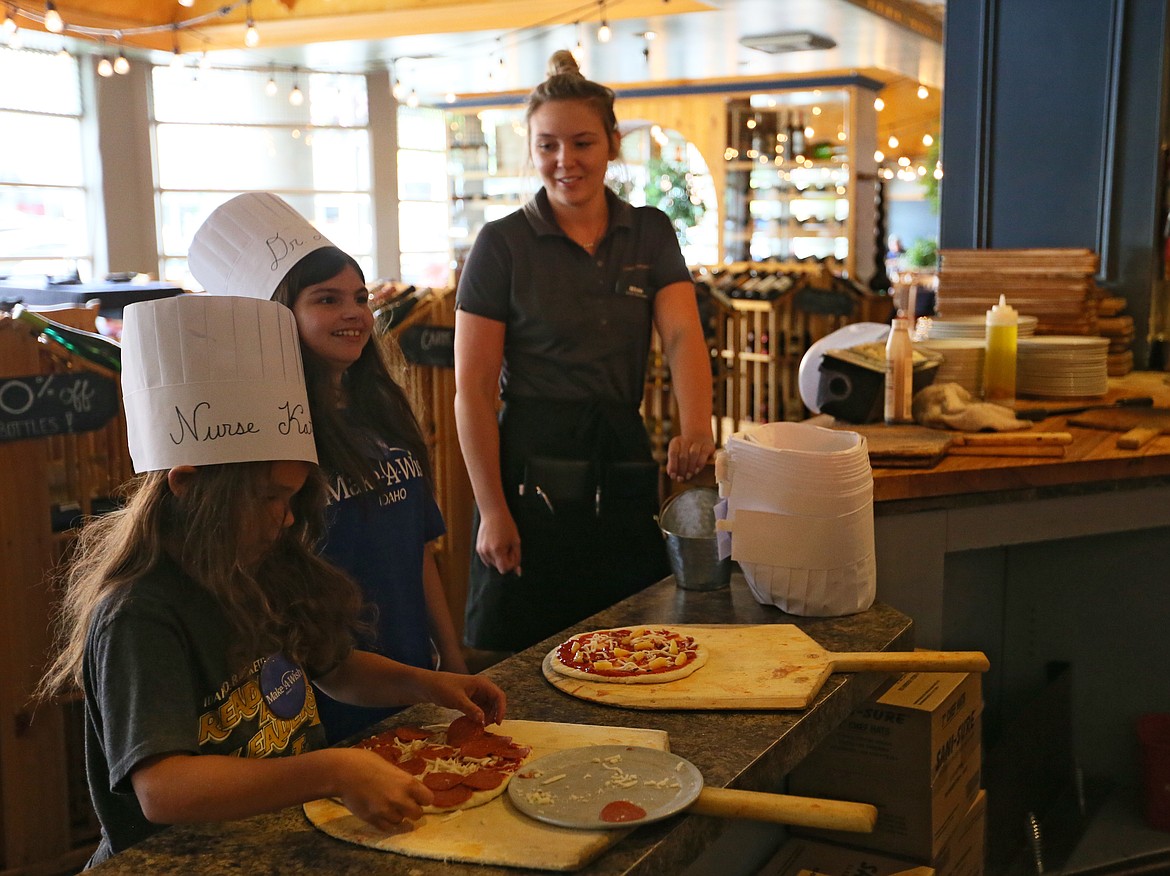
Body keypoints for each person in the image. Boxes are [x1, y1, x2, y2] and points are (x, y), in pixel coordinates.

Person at [36, 295, 506, 867]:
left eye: (292, 498)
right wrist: (333, 768)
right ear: (188, 486)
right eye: (267, 498)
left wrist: (428, 685)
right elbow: (164, 790)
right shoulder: (141, 612)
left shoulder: (262, 565)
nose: (286, 519)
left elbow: (335, 668)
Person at [454, 50, 715, 654]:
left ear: (612, 144)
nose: (564, 161)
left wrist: (694, 425)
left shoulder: (649, 231)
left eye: (581, 143)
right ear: (531, 148)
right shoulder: (501, 244)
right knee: (519, 652)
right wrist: (491, 509)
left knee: (630, 641)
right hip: (528, 465)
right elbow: (474, 390)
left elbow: (680, 336)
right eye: (547, 145)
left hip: (621, 449)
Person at [189, 193, 469, 745]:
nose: (354, 313)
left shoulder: (385, 415)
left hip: (411, 673)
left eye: (360, 298)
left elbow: (420, 551)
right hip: (318, 692)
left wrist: (453, 663)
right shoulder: (269, 438)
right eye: (326, 299)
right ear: (277, 317)